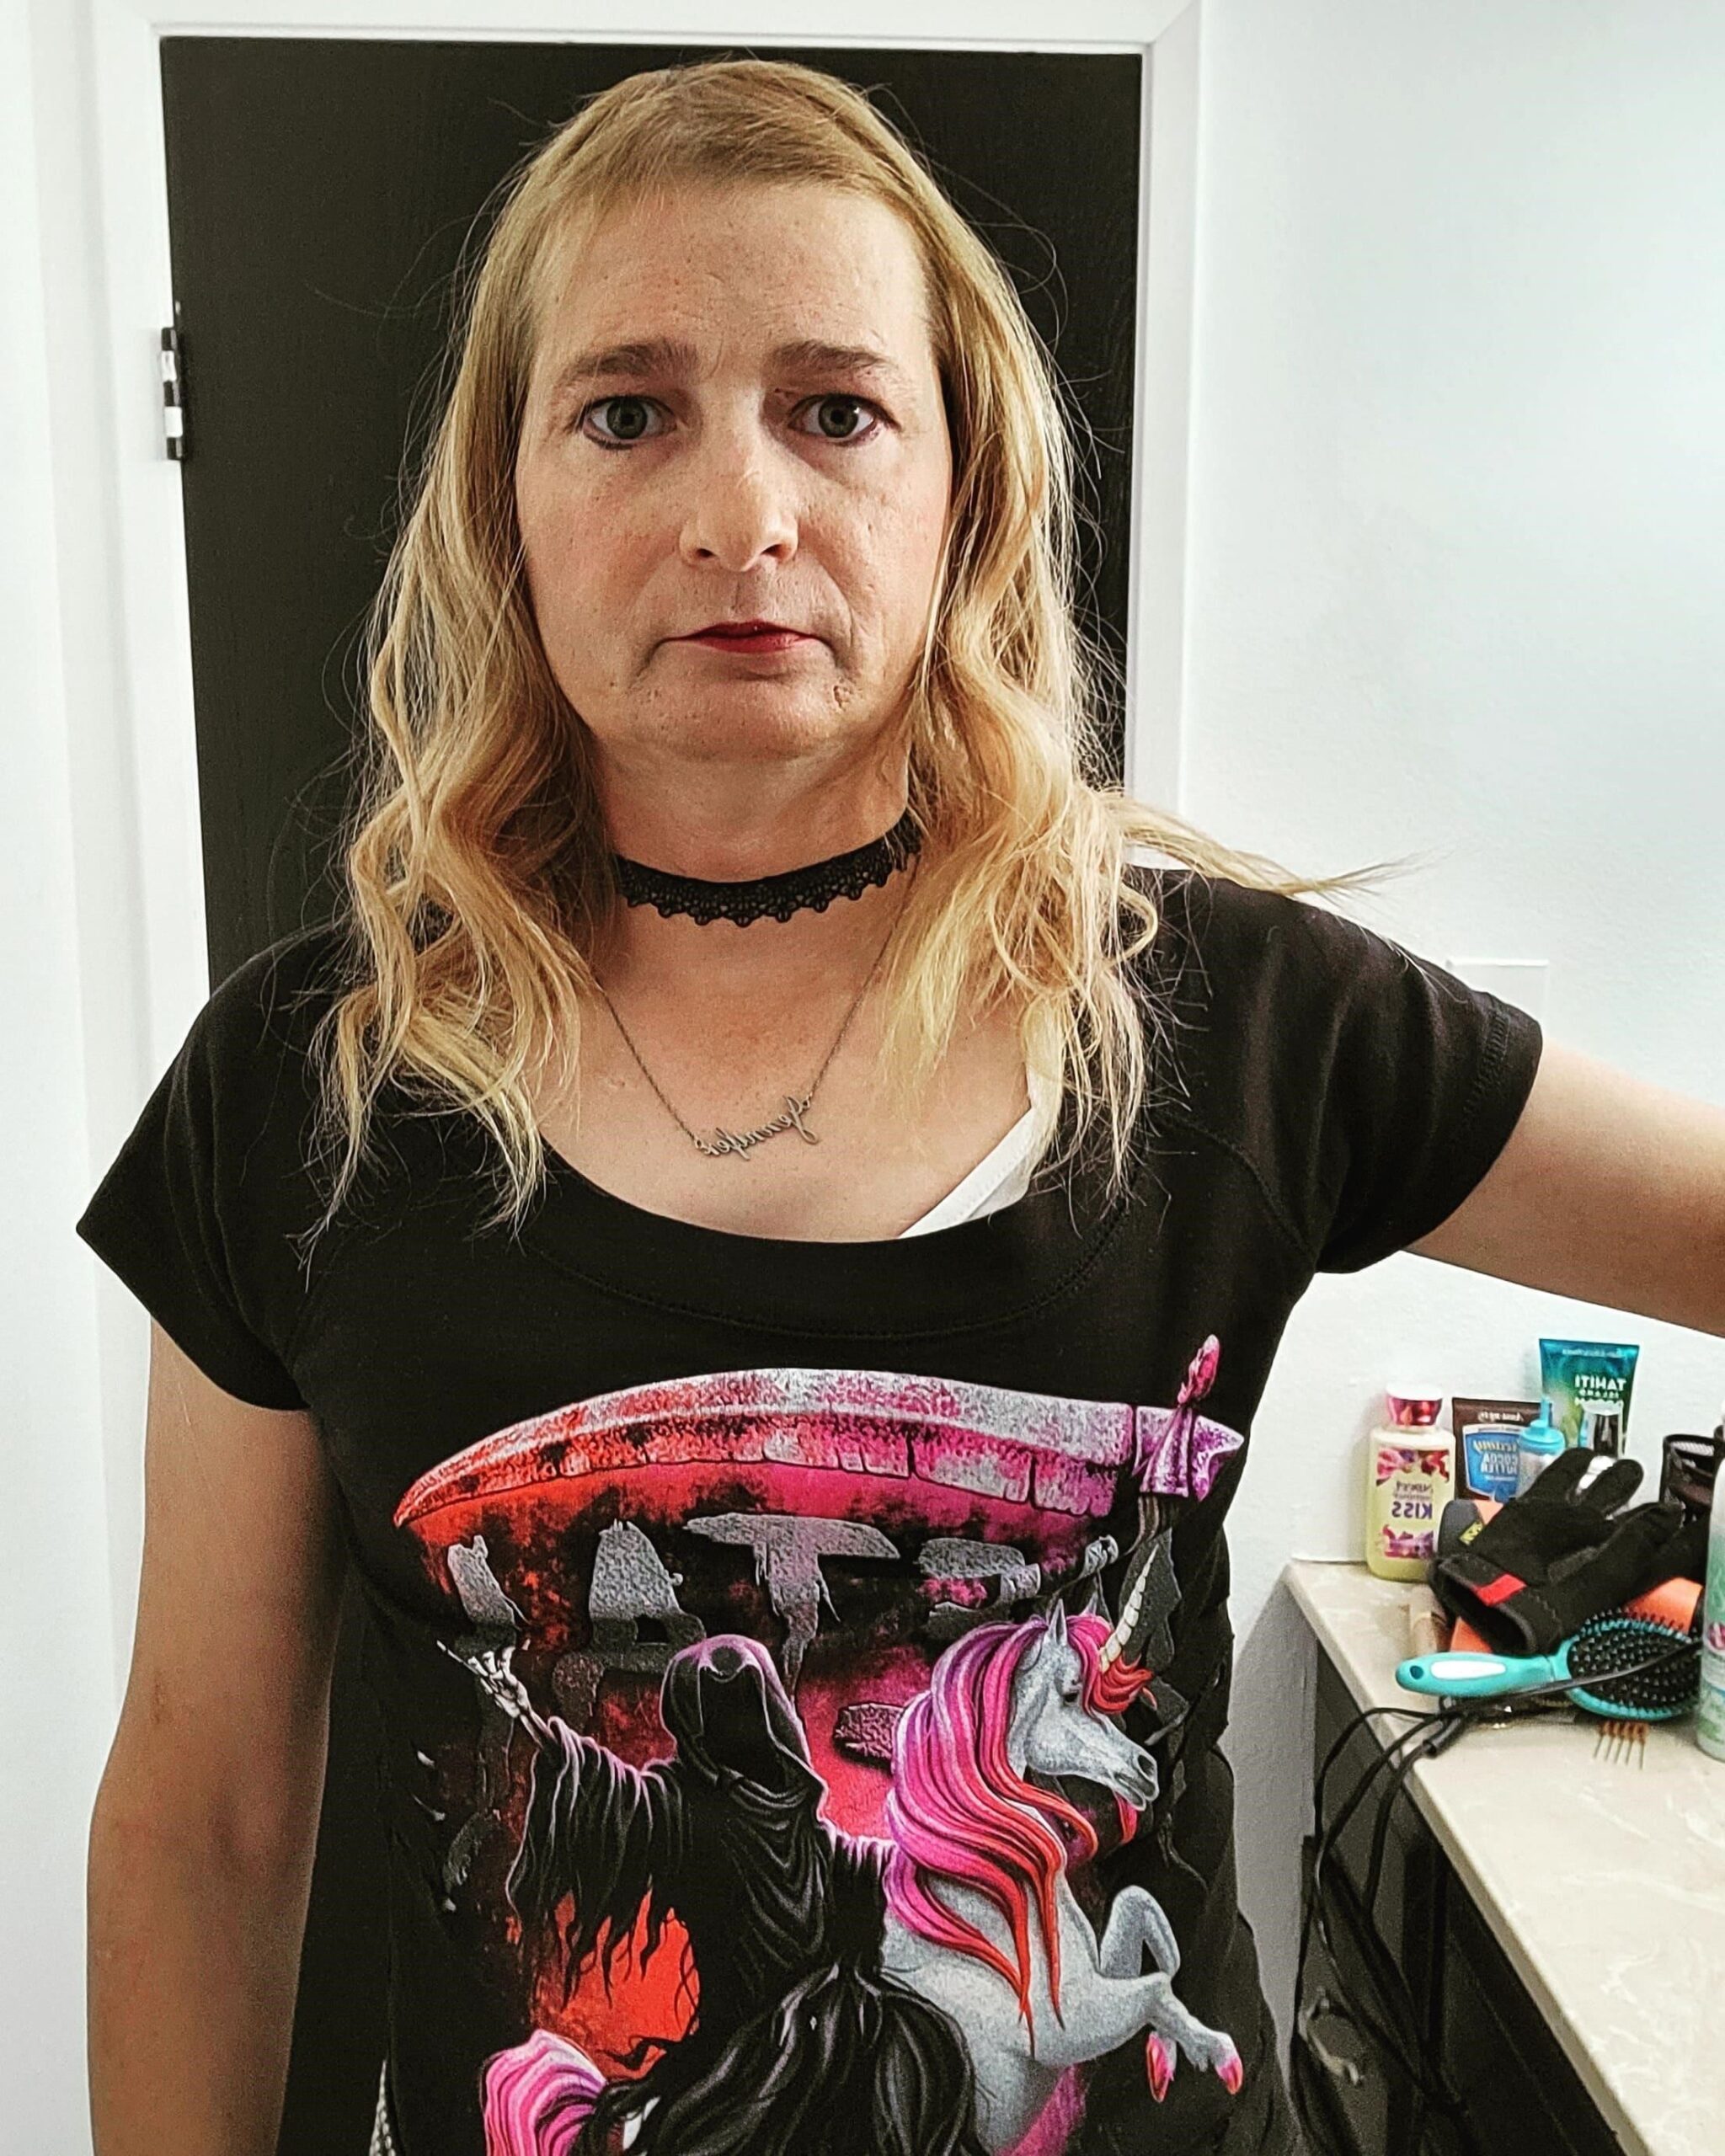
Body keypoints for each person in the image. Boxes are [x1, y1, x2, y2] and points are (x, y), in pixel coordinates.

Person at [73, 54, 1724, 2156]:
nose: (740, 515)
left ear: (965, 492)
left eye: (836, 410)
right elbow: (208, 1814)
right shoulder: (305, 1086)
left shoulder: (1231, 1022)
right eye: (627, 410)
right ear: (506, 505)